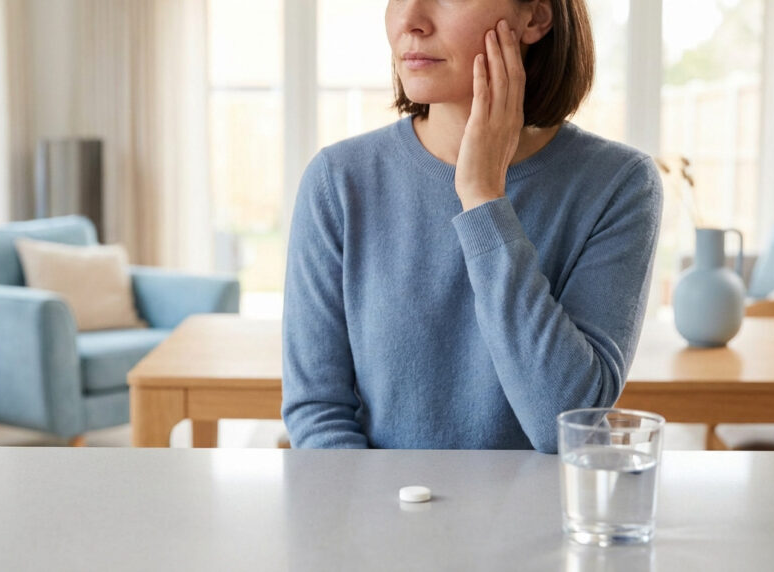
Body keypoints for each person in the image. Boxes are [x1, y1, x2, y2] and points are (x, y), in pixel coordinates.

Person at [281, 0, 662, 453]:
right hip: (378, 515)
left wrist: (483, 198)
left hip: (536, 522)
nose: (410, 21)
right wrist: (381, 519)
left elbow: (562, 425)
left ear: (536, 18)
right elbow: (317, 411)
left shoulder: (619, 185)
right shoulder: (339, 180)